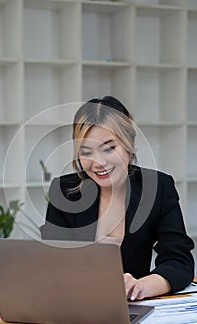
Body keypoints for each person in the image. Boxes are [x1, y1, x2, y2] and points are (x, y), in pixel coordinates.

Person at [42, 96, 195, 301]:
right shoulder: (65, 190)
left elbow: (179, 260)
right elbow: (53, 262)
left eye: (109, 148)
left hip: (132, 306)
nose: (98, 162)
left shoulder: (158, 188)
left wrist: (141, 286)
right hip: (75, 305)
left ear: (128, 144)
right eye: (86, 152)